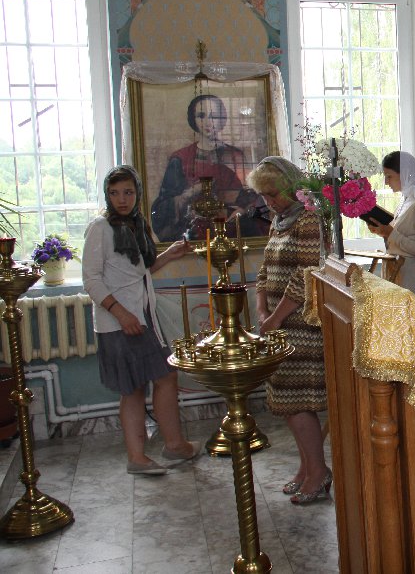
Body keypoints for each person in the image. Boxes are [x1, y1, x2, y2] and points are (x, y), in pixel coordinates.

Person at [82, 165, 197, 475]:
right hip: (119, 321)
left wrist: (169, 255)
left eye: (128, 192)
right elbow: (91, 280)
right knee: (134, 387)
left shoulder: (137, 225)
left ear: (137, 194)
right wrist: (121, 314)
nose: (122, 199)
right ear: (107, 195)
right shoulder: (100, 228)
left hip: (143, 317)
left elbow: (138, 272)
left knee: (165, 376)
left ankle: (174, 445)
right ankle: (138, 457)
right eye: (114, 193)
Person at [247, 156, 330, 505]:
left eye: (274, 194)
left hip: (301, 325)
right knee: (286, 402)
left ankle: (318, 472)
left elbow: (306, 274)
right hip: (278, 323)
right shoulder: (279, 221)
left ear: (293, 188)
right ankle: (307, 467)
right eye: (264, 196)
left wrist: (277, 317)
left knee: (297, 401)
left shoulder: (309, 218)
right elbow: (265, 270)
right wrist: (262, 309)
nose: (269, 202)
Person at [151, 94, 258, 242]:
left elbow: (251, 195)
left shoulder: (235, 156)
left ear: (221, 119)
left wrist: (242, 209)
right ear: (193, 119)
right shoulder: (180, 158)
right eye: (201, 116)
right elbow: (164, 206)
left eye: (213, 116)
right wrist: (190, 193)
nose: (208, 122)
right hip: (193, 236)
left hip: (231, 233)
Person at [366, 151, 415, 301]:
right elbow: (400, 237)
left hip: (414, 280)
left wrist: (391, 234)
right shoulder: (406, 199)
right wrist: (383, 232)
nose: (386, 182)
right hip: (399, 274)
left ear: (404, 174)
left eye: (389, 176)